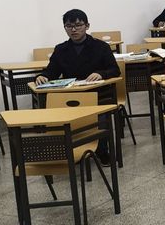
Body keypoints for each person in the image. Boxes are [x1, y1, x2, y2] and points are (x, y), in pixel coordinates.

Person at [36, 10, 120, 164]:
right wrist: (43, 76)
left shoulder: (101, 46)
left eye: (78, 25)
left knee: (100, 115)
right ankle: (69, 150)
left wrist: (101, 73)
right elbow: (52, 70)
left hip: (97, 94)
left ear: (87, 26)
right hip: (70, 95)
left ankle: (102, 150)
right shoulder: (61, 49)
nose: (73, 30)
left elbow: (114, 70)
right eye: (69, 26)